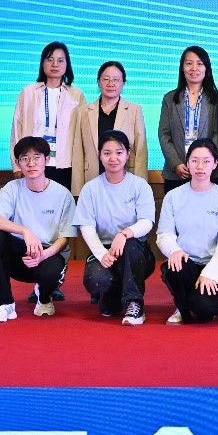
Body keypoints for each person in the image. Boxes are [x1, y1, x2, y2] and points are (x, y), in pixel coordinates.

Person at [0, 136, 77, 322]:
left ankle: (44, 297)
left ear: (47, 160)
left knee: (50, 272)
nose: (31, 163)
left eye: (36, 157)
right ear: (18, 163)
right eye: (25, 158)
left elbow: (65, 238)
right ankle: (4, 303)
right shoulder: (12, 188)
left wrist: (43, 255)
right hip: (19, 255)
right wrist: (25, 231)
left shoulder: (63, 194)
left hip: (48, 254)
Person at [74, 131, 156, 326]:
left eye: (119, 153)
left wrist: (124, 234)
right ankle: (112, 295)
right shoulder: (90, 189)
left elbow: (147, 222)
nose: (113, 158)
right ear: (99, 155)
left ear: (128, 154)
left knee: (131, 246)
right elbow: (86, 227)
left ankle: (135, 303)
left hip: (136, 251)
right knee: (97, 282)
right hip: (106, 250)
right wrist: (102, 254)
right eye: (107, 153)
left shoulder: (140, 186)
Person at [156, 139, 218, 324]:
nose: (200, 167)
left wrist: (210, 273)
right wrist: (174, 251)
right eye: (194, 161)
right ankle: (182, 307)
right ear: (187, 162)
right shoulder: (173, 197)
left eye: (206, 161)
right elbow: (164, 234)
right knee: (176, 267)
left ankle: (198, 303)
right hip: (185, 262)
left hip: (212, 264)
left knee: (205, 310)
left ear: (215, 164)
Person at [11, 41, 85, 190]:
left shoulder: (76, 95)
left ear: (67, 65)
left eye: (60, 60)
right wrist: (16, 165)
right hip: (33, 163)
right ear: (42, 63)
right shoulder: (28, 92)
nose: (55, 64)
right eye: (50, 59)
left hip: (65, 164)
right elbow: (17, 129)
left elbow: (82, 134)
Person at [69, 61, 148, 196]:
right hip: (92, 180)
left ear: (123, 83)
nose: (111, 84)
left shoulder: (134, 110)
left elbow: (141, 151)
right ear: (98, 82)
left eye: (116, 80)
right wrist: (77, 190)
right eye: (106, 79)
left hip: (125, 180)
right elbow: (78, 152)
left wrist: (141, 187)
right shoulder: (83, 112)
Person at [158, 46, 218, 193]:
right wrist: (176, 164)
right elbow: (164, 134)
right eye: (189, 63)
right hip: (177, 172)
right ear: (182, 67)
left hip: (209, 172)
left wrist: (205, 162)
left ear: (206, 68)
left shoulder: (217, 99)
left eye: (199, 63)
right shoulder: (169, 99)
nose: (194, 68)